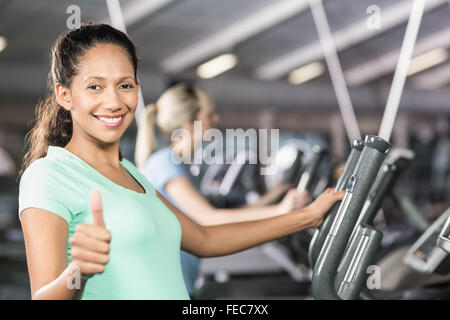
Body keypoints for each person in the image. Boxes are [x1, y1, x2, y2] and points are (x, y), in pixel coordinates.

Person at [18, 24, 344, 300]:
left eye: (125, 85)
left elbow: (205, 238)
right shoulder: (48, 175)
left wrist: (306, 217)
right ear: (64, 95)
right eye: (95, 87)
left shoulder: (130, 171)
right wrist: (80, 272)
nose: (114, 101)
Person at [135, 83, 312, 297]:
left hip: (178, 285)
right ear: (190, 124)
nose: (215, 120)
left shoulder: (178, 165)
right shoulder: (164, 163)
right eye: (209, 114)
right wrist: (281, 212)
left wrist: (273, 198)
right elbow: (207, 219)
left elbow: (211, 215)